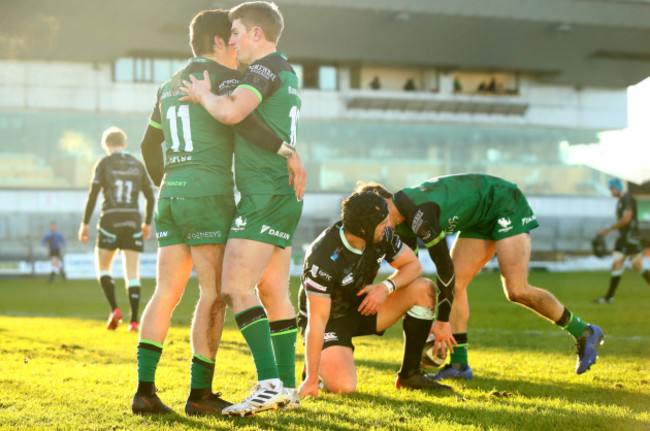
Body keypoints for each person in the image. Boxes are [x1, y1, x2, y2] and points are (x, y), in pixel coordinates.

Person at [134, 9, 301, 417]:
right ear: (218, 42)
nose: (236, 47)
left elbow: (146, 147)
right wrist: (288, 151)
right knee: (214, 293)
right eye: (232, 39)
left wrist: (170, 183)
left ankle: (145, 390)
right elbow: (243, 123)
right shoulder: (226, 81)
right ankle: (200, 394)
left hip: (171, 196)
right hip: (209, 196)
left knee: (165, 293)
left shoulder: (168, 85)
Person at [357, 174, 604, 379]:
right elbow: (409, 270)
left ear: (382, 202)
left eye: (370, 213)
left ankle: (585, 332)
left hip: (503, 202)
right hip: (477, 218)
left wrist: (442, 322)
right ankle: (460, 365)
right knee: (458, 286)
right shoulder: (399, 222)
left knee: (516, 290)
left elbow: (444, 267)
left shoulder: (418, 212)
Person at [297, 192, 456, 398]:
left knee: (423, 289)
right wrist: (310, 382)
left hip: (363, 306)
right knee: (344, 387)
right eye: (383, 222)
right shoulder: (322, 256)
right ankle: (315, 369)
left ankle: (410, 375)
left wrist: (385, 287)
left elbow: (413, 266)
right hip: (328, 321)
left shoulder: (384, 235)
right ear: (363, 229)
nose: (390, 224)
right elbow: (317, 320)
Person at [79, 127, 154, 332]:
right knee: (132, 273)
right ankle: (134, 322)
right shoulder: (137, 165)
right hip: (132, 220)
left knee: (103, 268)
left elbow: (93, 195)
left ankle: (115, 309)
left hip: (110, 220)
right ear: (124, 143)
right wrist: (147, 223)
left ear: (107, 146)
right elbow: (150, 196)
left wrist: (85, 223)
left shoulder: (103, 164)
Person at [594, 178, 650, 303]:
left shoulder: (627, 199)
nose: (611, 192)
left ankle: (609, 297)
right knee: (626, 264)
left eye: (612, 189)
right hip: (626, 236)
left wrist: (608, 229)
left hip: (629, 236)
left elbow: (626, 219)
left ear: (618, 187)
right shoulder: (622, 200)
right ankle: (609, 297)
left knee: (628, 264)